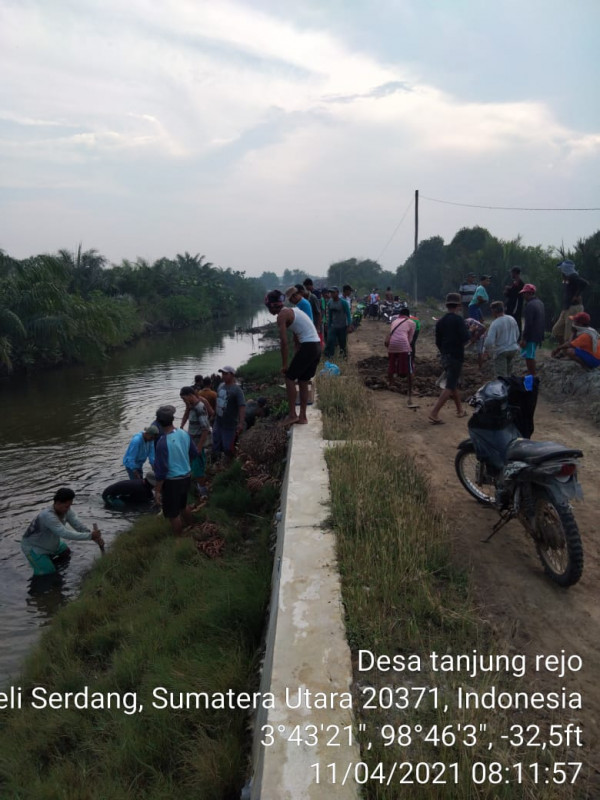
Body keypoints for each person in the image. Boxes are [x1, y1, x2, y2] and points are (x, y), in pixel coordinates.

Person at [264, 289, 321, 426]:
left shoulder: (282, 316)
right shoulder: (293, 311)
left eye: (268, 307)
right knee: (303, 380)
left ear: (273, 305)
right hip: (316, 346)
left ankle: (292, 415)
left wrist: (284, 365)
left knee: (289, 378)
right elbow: (297, 334)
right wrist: (297, 353)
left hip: (308, 346)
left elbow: (283, 342)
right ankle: (302, 417)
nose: (269, 311)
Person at [21, 488, 104, 575]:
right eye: (67, 506)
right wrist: (90, 536)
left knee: (66, 553)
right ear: (58, 503)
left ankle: (54, 568)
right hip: (34, 548)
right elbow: (64, 533)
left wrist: (95, 538)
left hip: (50, 543)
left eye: (70, 505)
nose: (68, 509)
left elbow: (78, 525)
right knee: (47, 573)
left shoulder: (66, 511)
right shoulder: (47, 516)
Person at [153, 405, 198, 535]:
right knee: (183, 506)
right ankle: (192, 527)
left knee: (173, 514)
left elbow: (161, 471)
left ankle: (179, 539)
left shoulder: (162, 443)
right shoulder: (184, 433)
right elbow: (194, 453)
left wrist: (157, 491)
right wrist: (184, 464)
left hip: (173, 481)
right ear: (172, 420)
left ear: (159, 423)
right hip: (186, 476)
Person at [429, 293, 471, 424]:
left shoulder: (441, 321)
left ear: (447, 305)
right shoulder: (459, 320)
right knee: (450, 384)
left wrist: (444, 351)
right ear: (458, 306)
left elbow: (437, 341)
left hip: (445, 355)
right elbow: (465, 338)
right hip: (456, 356)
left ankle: (460, 410)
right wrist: (472, 330)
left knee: (452, 382)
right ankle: (434, 413)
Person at [180, 385, 212, 494]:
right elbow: (186, 414)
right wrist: (181, 427)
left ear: (190, 396)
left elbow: (205, 429)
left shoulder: (199, 407)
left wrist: (198, 447)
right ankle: (200, 485)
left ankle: (203, 491)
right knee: (198, 465)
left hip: (198, 443)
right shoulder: (191, 405)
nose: (184, 401)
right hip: (194, 441)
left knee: (197, 468)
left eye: (184, 398)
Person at [551, 259, 590, 345]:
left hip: (573, 308)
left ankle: (566, 352)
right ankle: (563, 349)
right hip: (566, 308)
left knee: (568, 334)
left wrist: (576, 295)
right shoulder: (567, 278)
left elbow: (584, 283)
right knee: (556, 330)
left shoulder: (573, 276)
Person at [384, 306, 416, 406]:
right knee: (410, 368)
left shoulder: (394, 321)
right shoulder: (412, 323)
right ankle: (410, 389)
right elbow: (410, 339)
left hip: (391, 345)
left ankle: (391, 383)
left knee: (391, 364)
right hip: (403, 345)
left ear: (400, 315)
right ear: (408, 315)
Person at [213, 366, 246, 461]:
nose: (223, 376)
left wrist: (241, 423)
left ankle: (229, 462)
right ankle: (217, 461)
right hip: (218, 421)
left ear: (232, 375)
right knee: (216, 441)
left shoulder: (237, 390)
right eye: (222, 374)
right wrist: (214, 414)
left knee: (228, 446)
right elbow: (218, 401)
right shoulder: (220, 386)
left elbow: (242, 406)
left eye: (225, 374)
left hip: (230, 424)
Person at [483, 301, 520, 377]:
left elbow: (489, 342)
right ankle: (509, 387)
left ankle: (502, 387)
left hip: (501, 351)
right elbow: (517, 334)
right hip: (513, 349)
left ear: (494, 311)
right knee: (509, 373)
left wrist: (486, 348)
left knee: (501, 376)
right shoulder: (511, 319)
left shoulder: (495, 323)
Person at [519, 284, 545, 376]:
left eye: (524, 293)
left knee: (529, 357)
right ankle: (531, 373)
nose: (523, 296)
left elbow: (528, 324)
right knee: (531, 355)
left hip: (531, 335)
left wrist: (524, 338)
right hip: (538, 334)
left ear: (529, 293)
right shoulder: (540, 303)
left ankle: (532, 375)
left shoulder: (529, 305)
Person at [324, 286, 352, 359]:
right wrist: (328, 325)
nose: (332, 294)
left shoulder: (343, 302)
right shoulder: (330, 303)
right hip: (333, 326)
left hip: (342, 326)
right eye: (331, 292)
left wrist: (349, 325)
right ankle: (329, 357)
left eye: (333, 292)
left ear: (337, 293)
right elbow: (329, 316)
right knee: (330, 341)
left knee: (342, 343)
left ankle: (343, 357)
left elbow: (348, 315)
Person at [503, 266, 525, 335]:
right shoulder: (514, 282)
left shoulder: (520, 283)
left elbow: (517, 295)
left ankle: (518, 337)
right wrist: (508, 290)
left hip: (515, 307)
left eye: (512, 273)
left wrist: (510, 289)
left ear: (515, 273)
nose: (511, 274)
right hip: (510, 306)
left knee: (516, 321)